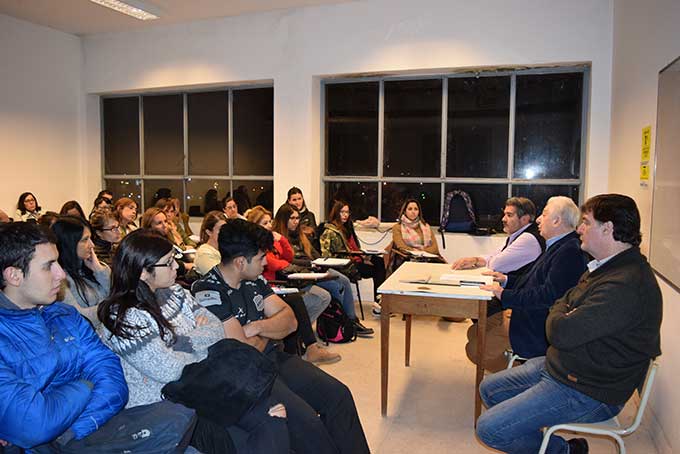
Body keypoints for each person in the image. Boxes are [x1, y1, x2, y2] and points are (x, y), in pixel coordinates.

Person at [476, 194, 662, 454]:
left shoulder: (626, 284)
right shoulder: (604, 267)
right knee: (489, 389)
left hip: (590, 388)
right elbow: (564, 300)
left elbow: (559, 332)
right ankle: (540, 437)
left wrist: (560, 313)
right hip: (564, 366)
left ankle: (565, 451)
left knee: (489, 429)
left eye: (586, 222)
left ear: (607, 228)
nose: (579, 229)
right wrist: (562, 311)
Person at [97, 229, 288, 454]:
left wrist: (177, 342)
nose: (176, 267)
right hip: (162, 405)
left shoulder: (174, 291)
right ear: (143, 272)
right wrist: (197, 339)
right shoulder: (123, 316)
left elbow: (216, 329)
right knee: (241, 435)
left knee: (272, 416)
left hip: (197, 385)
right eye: (168, 263)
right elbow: (170, 370)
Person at [192, 219, 370, 454]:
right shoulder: (208, 290)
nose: (266, 262)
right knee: (307, 424)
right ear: (240, 262)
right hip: (246, 376)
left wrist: (256, 327)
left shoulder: (253, 279)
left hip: (273, 358)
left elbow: (291, 320)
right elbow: (241, 351)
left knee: (338, 395)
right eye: (260, 258)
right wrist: (270, 329)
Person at [0, 222, 127, 450]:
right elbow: (34, 425)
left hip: (88, 436)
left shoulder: (65, 315)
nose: (61, 274)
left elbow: (113, 378)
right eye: (49, 266)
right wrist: (86, 385)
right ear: (14, 276)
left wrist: (70, 431)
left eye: (58, 262)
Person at [468, 196, 587, 371]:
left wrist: (504, 294)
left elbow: (548, 295)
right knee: (474, 332)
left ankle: (527, 373)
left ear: (556, 221)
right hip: (526, 314)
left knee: (474, 349)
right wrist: (506, 280)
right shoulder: (558, 245)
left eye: (544, 214)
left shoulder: (569, 252)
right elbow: (533, 280)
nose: (538, 219)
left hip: (536, 327)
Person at [247, 206, 341, 364]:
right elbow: (274, 264)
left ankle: (303, 341)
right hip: (270, 285)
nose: (270, 225)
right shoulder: (254, 247)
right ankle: (308, 346)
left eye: (270, 222)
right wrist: (283, 262)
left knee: (318, 294)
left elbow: (288, 257)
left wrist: (281, 240)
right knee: (296, 300)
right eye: (265, 223)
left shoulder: (270, 242)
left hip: (276, 284)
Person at [273, 203, 373, 337]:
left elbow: (314, 253)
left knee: (344, 280)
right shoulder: (279, 238)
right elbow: (289, 261)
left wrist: (321, 261)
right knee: (336, 286)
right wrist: (311, 264)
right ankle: (337, 323)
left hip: (314, 268)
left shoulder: (300, 235)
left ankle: (351, 320)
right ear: (283, 219)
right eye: (292, 218)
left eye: (297, 218)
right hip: (301, 273)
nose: (296, 222)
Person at [320, 200, 386, 317]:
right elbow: (326, 255)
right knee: (377, 270)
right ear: (336, 213)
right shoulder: (330, 231)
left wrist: (363, 255)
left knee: (379, 261)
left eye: (347, 212)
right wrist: (355, 256)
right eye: (342, 212)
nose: (345, 215)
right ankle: (378, 303)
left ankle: (379, 301)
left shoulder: (348, 227)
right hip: (346, 265)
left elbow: (354, 247)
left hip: (356, 258)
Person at [452, 197, 545, 276]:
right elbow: (495, 255)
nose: (503, 219)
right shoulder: (517, 234)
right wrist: (475, 260)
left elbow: (496, 264)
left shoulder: (528, 239)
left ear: (525, 219)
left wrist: (478, 261)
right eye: (504, 214)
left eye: (509, 215)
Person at [51, 216, 111, 328]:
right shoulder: (59, 279)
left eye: (90, 238)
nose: (92, 245)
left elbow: (113, 292)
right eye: (85, 240)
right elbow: (79, 317)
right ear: (69, 243)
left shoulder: (93, 268)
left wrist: (99, 270)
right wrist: (113, 307)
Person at [194, 210, 228, 276]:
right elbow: (221, 278)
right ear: (209, 232)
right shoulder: (204, 253)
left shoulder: (225, 249)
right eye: (220, 229)